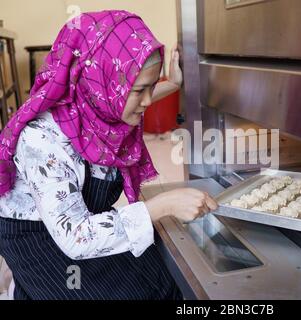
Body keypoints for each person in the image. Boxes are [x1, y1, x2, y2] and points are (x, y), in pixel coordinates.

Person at [0, 10, 217, 300]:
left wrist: (173, 83)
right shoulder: (42, 140)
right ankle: (27, 287)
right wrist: (161, 206)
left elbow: (132, 96)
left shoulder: (103, 108)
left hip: (85, 219)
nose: (148, 101)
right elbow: (76, 237)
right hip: (44, 240)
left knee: (162, 282)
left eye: (151, 87)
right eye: (140, 90)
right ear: (102, 84)